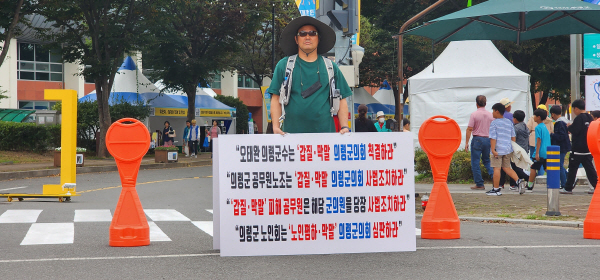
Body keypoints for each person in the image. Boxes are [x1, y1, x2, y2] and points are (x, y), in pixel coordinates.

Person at [268, 16, 352, 134]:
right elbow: (275, 98)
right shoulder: (284, 66)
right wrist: (275, 127)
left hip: (325, 138)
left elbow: (342, 98)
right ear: (296, 39)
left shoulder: (331, 67)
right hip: (291, 137)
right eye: (302, 34)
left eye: (313, 33)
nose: (307, 37)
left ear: (318, 38)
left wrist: (344, 127)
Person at [486, 103, 526, 196]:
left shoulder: (494, 123)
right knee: (507, 168)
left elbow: (493, 137)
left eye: (493, 111)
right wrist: (512, 147)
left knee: (497, 168)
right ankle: (518, 181)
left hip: (498, 149)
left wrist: (493, 149)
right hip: (508, 149)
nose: (492, 113)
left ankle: (496, 189)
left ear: (497, 111)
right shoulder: (509, 122)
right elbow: (513, 136)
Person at [560, 99, 598, 195]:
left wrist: (569, 126)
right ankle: (596, 187)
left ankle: (568, 188)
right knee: (590, 170)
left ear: (576, 108)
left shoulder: (578, 118)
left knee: (572, 169)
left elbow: (575, 130)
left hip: (577, 149)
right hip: (588, 148)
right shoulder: (589, 117)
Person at [465, 95, 494, 190]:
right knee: (487, 160)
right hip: (488, 139)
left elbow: (470, 128)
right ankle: (495, 177)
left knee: (475, 162)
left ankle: (479, 183)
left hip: (477, 139)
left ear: (476, 104)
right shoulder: (491, 115)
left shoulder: (474, 114)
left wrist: (466, 142)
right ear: (485, 103)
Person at [499, 110, 530, 190]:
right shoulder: (525, 126)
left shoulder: (515, 128)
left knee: (513, 167)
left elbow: (512, 139)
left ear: (515, 119)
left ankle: (527, 179)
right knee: (515, 167)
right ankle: (513, 184)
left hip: (516, 151)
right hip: (524, 149)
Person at [524, 109, 551, 193]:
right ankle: (554, 183)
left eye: (535, 116)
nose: (534, 117)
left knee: (533, 168)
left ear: (538, 117)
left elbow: (538, 140)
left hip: (540, 151)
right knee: (547, 168)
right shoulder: (544, 127)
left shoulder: (538, 127)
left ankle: (529, 185)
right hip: (547, 151)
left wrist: (537, 153)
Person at [549, 106, 571, 190]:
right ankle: (568, 177)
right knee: (560, 164)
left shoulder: (559, 123)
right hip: (564, 146)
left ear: (553, 114)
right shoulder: (564, 121)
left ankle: (564, 183)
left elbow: (561, 136)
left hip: (561, 146)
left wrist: (552, 135)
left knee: (559, 165)